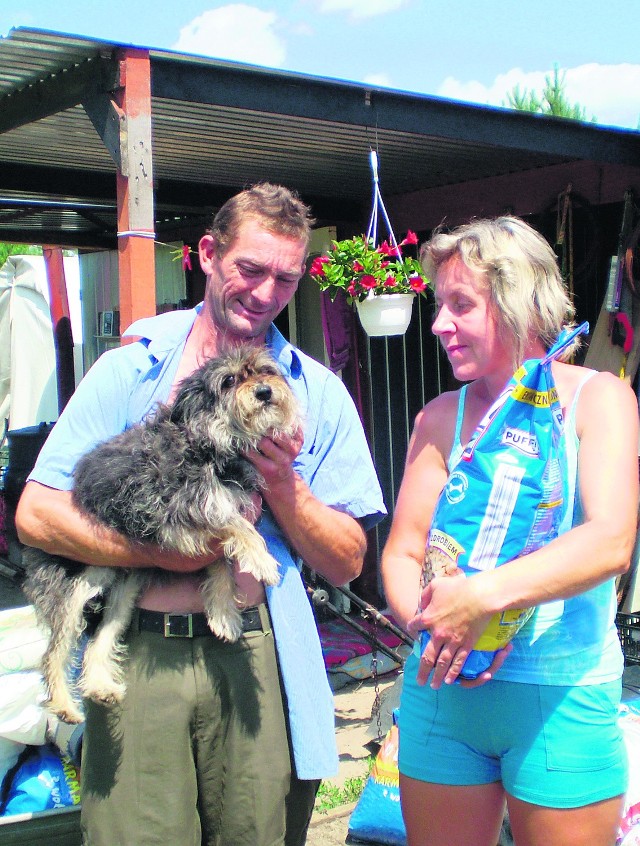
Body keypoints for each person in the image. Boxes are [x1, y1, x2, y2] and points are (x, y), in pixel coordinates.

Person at [16, 182, 386, 846]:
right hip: (138, 654)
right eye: (251, 269)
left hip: (255, 651)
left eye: (286, 278)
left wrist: (284, 485)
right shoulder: (129, 371)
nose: (267, 292)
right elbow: (37, 516)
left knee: (258, 833)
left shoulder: (315, 393)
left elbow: (348, 559)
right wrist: (159, 555)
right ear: (209, 254)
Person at [381, 216, 639, 846]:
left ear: (520, 300)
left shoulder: (599, 399)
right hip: (442, 693)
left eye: (460, 305)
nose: (438, 324)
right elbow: (403, 550)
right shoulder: (442, 416)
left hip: (560, 696)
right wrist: (432, 619)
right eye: (438, 305)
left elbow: (610, 542)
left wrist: (482, 599)